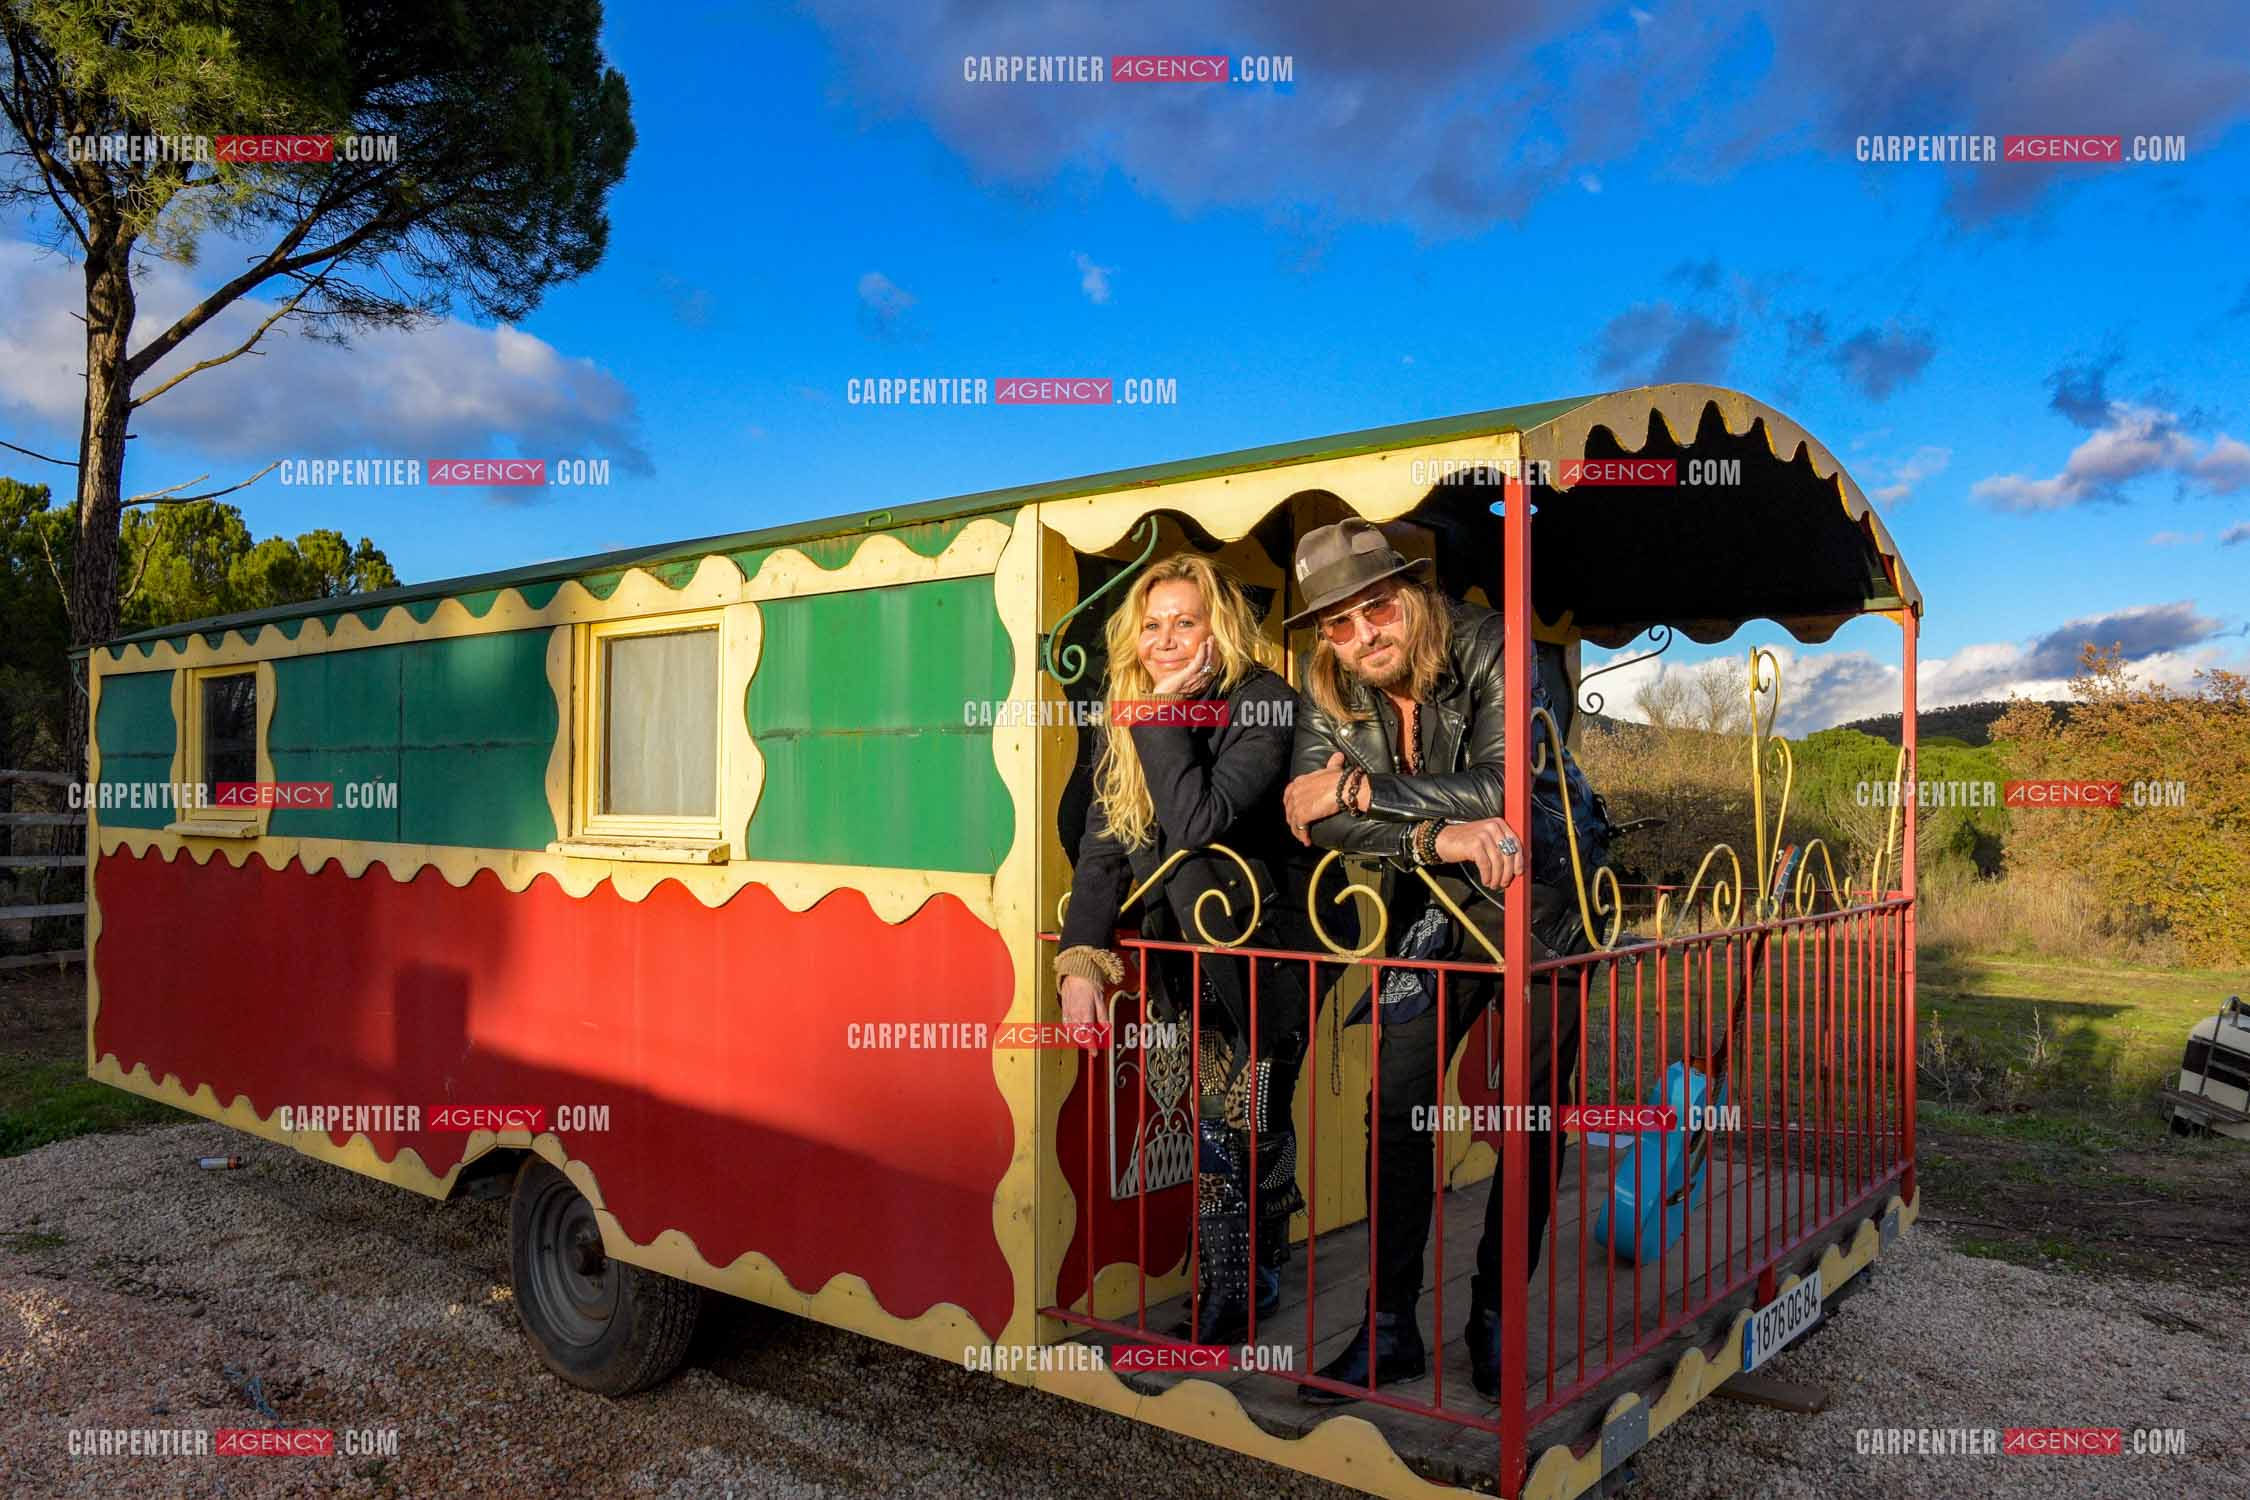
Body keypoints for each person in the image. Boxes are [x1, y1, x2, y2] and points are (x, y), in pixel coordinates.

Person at [1277, 518, 1612, 1403]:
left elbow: (1507, 789)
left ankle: (1495, 1319)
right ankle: (1388, 1330)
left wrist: (1355, 787)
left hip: (1542, 900)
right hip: (1431, 905)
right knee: (1394, 1110)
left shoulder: (1498, 647)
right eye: (1338, 626)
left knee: (1529, 1119)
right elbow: (1309, 821)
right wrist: (1438, 833)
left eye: (1375, 610)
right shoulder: (1329, 681)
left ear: (1410, 595)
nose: (1361, 638)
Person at [1054, 554, 1322, 1344]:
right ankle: (1259, 1256)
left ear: (1219, 628)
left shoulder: (1264, 703)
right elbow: (1105, 849)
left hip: (1263, 952)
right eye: (1154, 624)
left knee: (1244, 1112)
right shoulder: (1131, 710)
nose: (1167, 639)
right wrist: (1080, 963)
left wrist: (1160, 719)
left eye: (1186, 621)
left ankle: (1234, 1289)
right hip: (1184, 958)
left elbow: (1200, 818)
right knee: (1226, 1118)